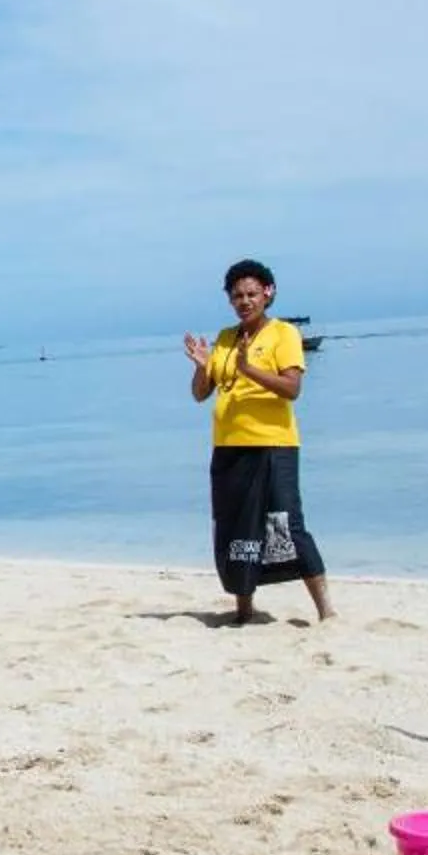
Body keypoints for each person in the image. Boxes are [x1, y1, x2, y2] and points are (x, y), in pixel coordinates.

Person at [183, 259, 332, 625]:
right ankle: (243, 611)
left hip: (273, 445)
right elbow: (200, 394)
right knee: (234, 527)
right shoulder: (225, 338)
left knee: (287, 524)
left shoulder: (283, 334)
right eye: (237, 296)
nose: (245, 301)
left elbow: (292, 388)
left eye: (251, 294)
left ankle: (326, 611)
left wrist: (249, 369)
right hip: (228, 446)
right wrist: (202, 366)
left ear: (268, 293)